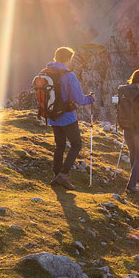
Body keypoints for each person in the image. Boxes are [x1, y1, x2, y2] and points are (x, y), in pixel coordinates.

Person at [46, 46, 94, 190]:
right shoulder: (68, 75)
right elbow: (78, 98)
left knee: (59, 145)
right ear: (68, 59)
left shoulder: (47, 72)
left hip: (52, 115)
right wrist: (90, 99)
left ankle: (56, 176)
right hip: (67, 116)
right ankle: (63, 174)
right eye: (70, 59)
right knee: (76, 144)